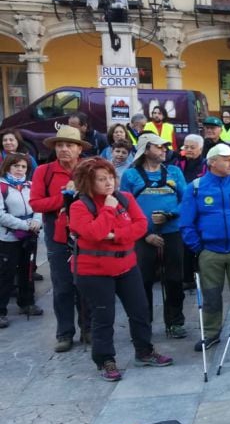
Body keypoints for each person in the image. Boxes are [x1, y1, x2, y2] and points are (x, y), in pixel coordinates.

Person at [68, 158, 172, 381]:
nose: (109, 183)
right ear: (88, 182)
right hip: (94, 271)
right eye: (102, 179)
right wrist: (107, 209)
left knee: (140, 310)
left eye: (111, 178)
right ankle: (106, 360)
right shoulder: (79, 206)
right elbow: (94, 233)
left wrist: (115, 236)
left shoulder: (125, 198)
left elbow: (141, 225)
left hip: (126, 265)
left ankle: (144, 351)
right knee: (104, 316)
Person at [178, 142, 230, 353]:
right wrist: (198, 247)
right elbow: (186, 222)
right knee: (211, 295)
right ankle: (211, 333)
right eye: (226, 159)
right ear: (213, 162)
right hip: (210, 251)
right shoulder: (195, 188)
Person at [120, 133, 189, 340]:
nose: (164, 150)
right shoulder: (130, 175)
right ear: (146, 149)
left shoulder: (174, 172)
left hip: (172, 231)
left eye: (165, 147)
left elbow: (186, 201)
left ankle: (175, 321)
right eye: (159, 147)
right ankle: (144, 323)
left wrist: (170, 215)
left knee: (175, 279)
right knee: (143, 280)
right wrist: (146, 233)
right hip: (142, 236)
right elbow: (124, 208)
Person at [30, 125, 89, 351]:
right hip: (57, 233)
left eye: (69, 145)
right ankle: (64, 333)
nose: (64, 149)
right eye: (60, 145)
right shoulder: (43, 171)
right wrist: (63, 196)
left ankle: (89, 329)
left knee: (86, 284)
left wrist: (80, 194)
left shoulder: (88, 169)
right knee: (62, 285)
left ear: (78, 149)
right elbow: (36, 203)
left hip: (86, 233)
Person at [0, 153, 42, 327]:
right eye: (16, 166)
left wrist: (37, 221)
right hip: (8, 237)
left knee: (28, 269)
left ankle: (27, 303)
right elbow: (1, 215)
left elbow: (38, 205)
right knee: (5, 274)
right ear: (8, 167)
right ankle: (1, 310)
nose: (19, 170)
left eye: (23, 167)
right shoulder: (2, 186)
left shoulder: (30, 185)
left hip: (29, 236)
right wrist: (25, 225)